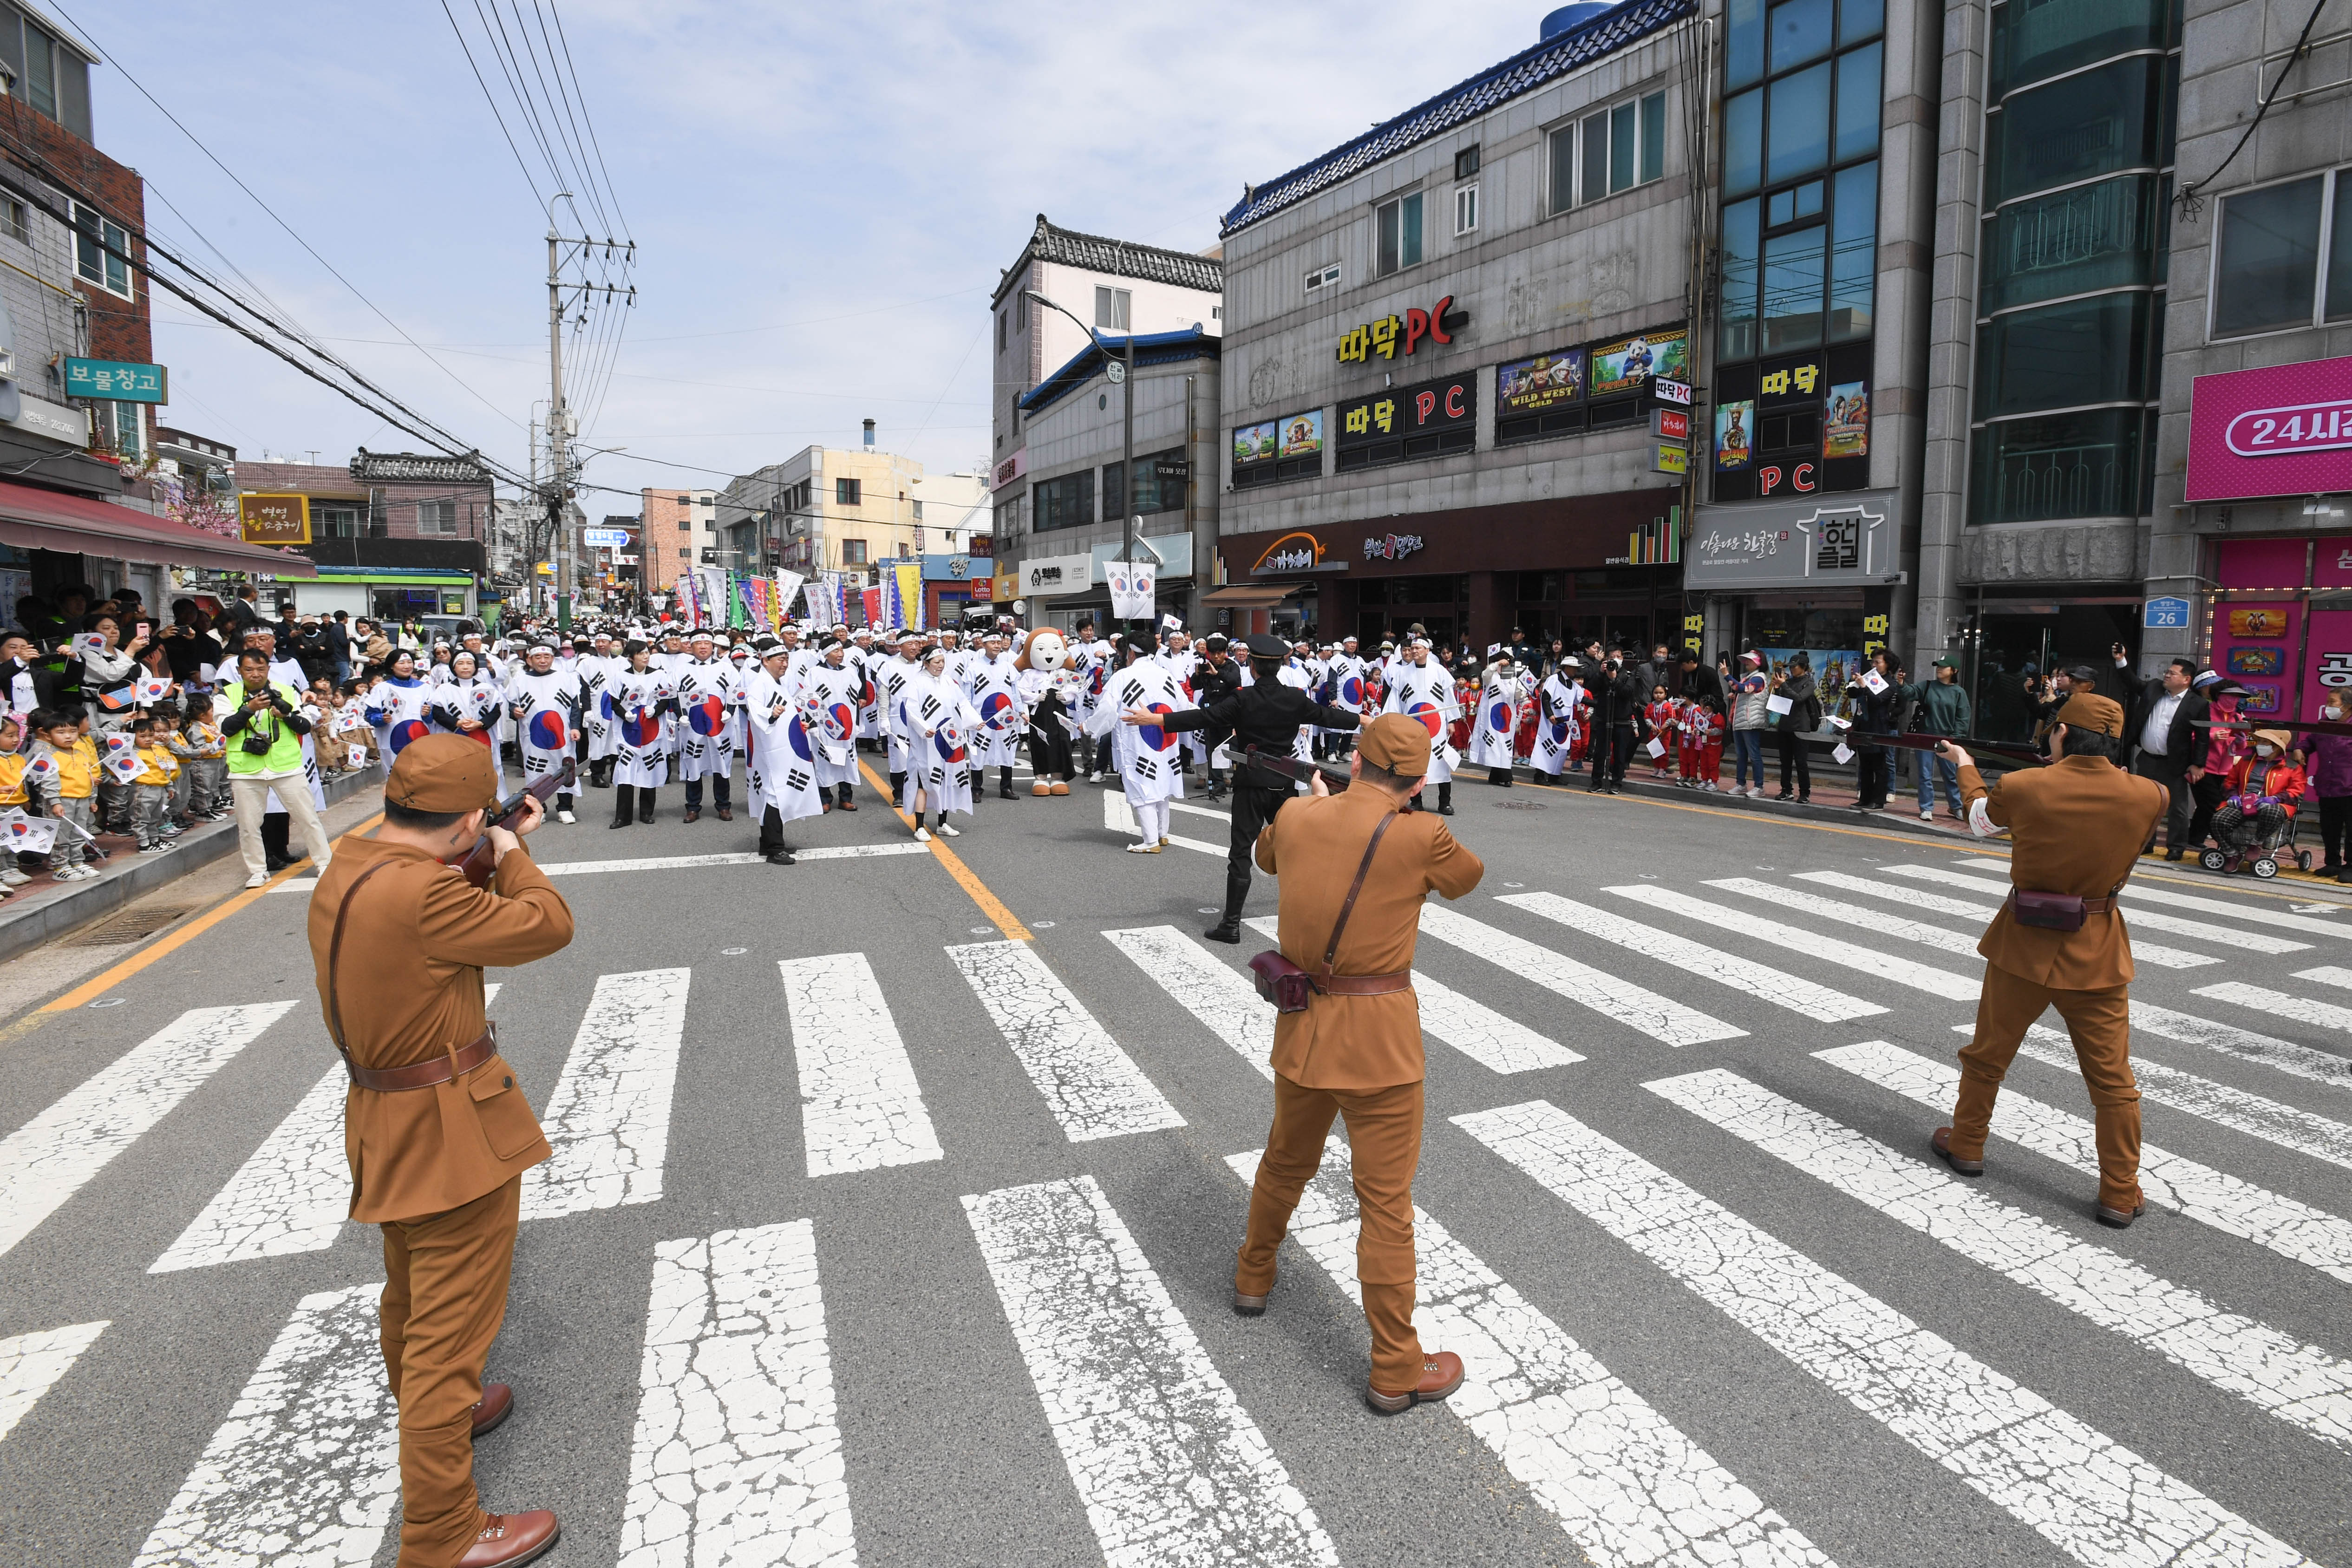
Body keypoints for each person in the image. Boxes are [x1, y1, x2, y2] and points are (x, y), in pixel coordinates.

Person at [306, 733, 572, 1568]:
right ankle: (443, 1533)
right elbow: (546, 925)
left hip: (385, 1113)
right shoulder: (429, 896)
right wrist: (512, 850)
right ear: (464, 818)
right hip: (449, 1125)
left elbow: (419, 911)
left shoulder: (353, 860)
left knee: (412, 1296)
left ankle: (444, 1418)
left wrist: (474, 856)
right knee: (447, 1343)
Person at [1231, 712, 1485, 1414]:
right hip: (1380, 1044)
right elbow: (1466, 878)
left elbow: (1268, 859)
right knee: (1384, 1205)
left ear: (1357, 759)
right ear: (1415, 779)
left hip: (1305, 1027)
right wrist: (1403, 813)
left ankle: (1254, 1276)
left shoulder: (1298, 814)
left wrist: (1319, 803)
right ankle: (1396, 1366)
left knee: (1285, 1160)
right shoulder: (1421, 832)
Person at [1935, 694, 2167, 1228]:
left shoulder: (2022, 786)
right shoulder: (2151, 794)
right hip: (2098, 949)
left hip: (2023, 944)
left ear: (2061, 733)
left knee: (1988, 1054)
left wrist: (1967, 766)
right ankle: (2119, 1191)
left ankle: (1968, 1143)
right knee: (2113, 1081)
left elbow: (1979, 822)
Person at [1152, 632, 1364, 941]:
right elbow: (1327, 715)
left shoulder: (1243, 698)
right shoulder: (1294, 698)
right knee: (1297, 852)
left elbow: (1204, 717)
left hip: (1250, 785)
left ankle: (1231, 924)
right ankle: (1314, 920)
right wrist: (1365, 720)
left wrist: (1157, 720)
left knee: (1240, 854)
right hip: (1284, 784)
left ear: (1252, 666)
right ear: (1280, 665)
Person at [221, 648, 334, 887]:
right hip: (246, 769)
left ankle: (324, 863)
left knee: (308, 818)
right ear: (239, 671)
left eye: (260, 669)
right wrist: (249, 708)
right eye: (249, 670)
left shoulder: (286, 691)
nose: (255, 674)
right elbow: (227, 728)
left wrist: (285, 715)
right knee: (249, 825)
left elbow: (304, 726)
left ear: (268, 669)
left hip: (286, 766)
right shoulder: (226, 694)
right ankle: (258, 871)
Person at [2125, 657, 2205, 859]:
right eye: (2167, 672)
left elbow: (2203, 738)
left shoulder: (2198, 704)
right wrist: (2120, 661)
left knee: (2177, 808)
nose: (2167, 675)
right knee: (2145, 804)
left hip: (2175, 763)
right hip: (2147, 759)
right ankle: (2146, 843)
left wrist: (2197, 764)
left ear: (2186, 679)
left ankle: (2177, 847)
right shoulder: (2155, 689)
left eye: (2172, 673)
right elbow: (2133, 682)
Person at [2208, 728, 2305, 867]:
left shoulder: (2292, 767)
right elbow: (2230, 782)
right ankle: (2231, 853)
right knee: (2218, 820)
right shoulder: (2245, 761)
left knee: (2272, 811)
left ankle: (2256, 843)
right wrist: (2233, 796)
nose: (2260, 745)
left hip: (2272, 806)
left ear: (2277, 747)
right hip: (2243, 803)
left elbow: (2297, 792)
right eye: (2259, 741)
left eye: (2265, 742)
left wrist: (2275, 799)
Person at [1903, 656, 1972, 820]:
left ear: (1954, 671)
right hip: (1925, 737)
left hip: (1947, 740)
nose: (1939, 669)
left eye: (1944, 667)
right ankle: (1926, 808)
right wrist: (1901, 684)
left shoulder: (1959, 693)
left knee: (1951, 774)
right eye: (1938, 667)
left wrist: (1955, 738)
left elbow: (1963, 718)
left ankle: (1956, 806)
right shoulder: (1927, 686)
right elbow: (1909, 693)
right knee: (1925, 774)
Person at [1771, 651, 1820, 803]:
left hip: (1801, 728)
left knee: (1801, 762)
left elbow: (1799, 699)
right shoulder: (1789, 682)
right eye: (1790, 667)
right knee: (1785, 762)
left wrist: (1784, 685)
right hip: (1785, 725)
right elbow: (1781, 702)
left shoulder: (1809, 683)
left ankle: (1805, 792)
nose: (1792, 670)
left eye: (1795, 667)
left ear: (1804, 667)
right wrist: (1778, 688)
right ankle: (1786, 790)